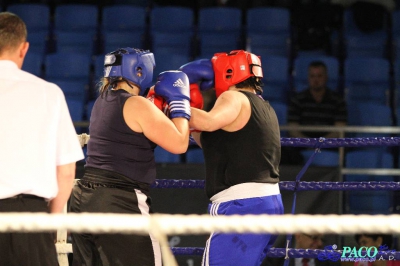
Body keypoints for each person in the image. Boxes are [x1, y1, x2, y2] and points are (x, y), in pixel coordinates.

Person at [69, 47, 191, 266]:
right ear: (140, 71)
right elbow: (180, 143)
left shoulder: (102, 100)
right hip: (119, 201)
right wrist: (180, 101)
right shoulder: (136, 104)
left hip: (84, 199)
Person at [179, 50, 284, 266]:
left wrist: (172, 102)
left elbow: (207, 122)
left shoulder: (233, 97)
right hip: (267, 204)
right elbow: (210, 139)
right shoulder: (264, 106)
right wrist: (189, 113)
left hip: (242, 206)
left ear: (228, 71)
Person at [0, 11, 84, 265]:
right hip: (30, 220)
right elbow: (67, 171)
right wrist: (50, 221)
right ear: (23, 49)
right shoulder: (48, 93)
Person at [288, 60, 347, 139]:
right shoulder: (297, 100)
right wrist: (308, 144)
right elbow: (292, 129)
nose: (316, 80)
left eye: (319, 76)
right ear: (308, 78)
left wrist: (321, 144)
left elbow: (340, 129)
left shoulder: (338, 101)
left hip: (329, 145)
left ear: (326, 77)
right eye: (312, 76)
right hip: (302, 146)